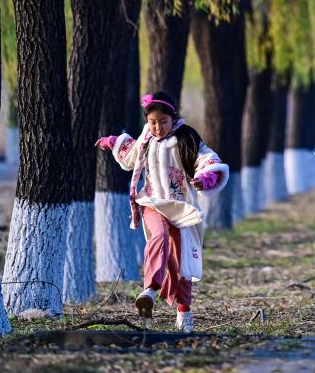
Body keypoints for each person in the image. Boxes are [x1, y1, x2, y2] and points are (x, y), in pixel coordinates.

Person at [96, 91, 228, 333]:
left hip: (182, 209)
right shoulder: (147, 138)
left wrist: (207, 177)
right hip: (152, 203)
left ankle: (184, 313)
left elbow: (208, 159)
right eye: (152, 122)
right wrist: (113, 142)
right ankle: (150, 290)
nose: (157, 128)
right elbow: (131, 155)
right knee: (159, 237)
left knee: (181, 262)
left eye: (163, 122)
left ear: (173, 117)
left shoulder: (186, 138)